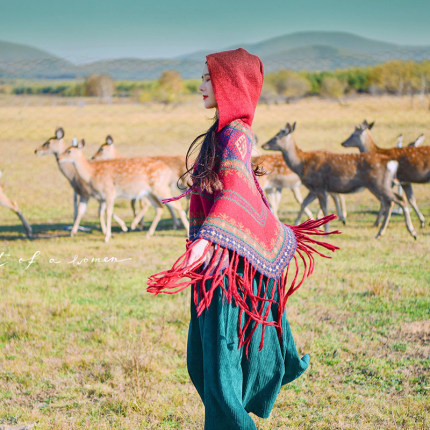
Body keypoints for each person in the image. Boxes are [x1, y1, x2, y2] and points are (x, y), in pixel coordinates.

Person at [147, 48, 339, 430]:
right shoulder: (220, 134)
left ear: (228, 85)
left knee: (219, 370)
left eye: (208, 78)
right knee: (207, 364)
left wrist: (203, 243)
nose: (201, 85)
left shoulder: (234, 135)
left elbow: (235, 191)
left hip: (225, 268)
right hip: (220, 266)